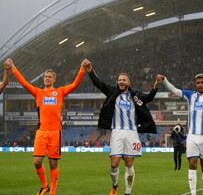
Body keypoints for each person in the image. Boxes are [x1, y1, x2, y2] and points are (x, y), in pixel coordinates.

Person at [7, 58, 89, 195]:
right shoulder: (38, 92)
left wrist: (82, 68)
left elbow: (75, 84)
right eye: (45, 76)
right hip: (41, 132)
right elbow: (24, 83)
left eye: (49, 77)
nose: (47, 78)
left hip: (55, 132)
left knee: (53, 164)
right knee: (37, 162)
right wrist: (13, 67)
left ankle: (53, 191)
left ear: (54, 80)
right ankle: (44, 186)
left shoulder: (60, 92)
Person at [86, 62, 162, 195]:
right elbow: (99, 84)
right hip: (116, 132)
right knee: (114, 164)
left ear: (129, 82)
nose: (121, 82)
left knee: (129, 163)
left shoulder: (136, 95)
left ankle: (128, 192)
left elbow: (149, 98)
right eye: (119, 80)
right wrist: (90, 70)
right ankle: (115, 186)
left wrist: (156, 85)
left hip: (132, 133)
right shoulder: (112, 92)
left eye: (124, 80)